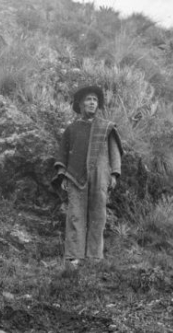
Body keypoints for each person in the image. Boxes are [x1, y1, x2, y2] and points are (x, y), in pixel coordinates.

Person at [52, 85, 124, 266]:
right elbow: (62, 153)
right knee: (75, 215)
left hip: (100, 176)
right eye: (88, 100)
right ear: (81, 104)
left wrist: (114, 174)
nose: (92, 103)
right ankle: (74, 256)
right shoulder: (72, 129)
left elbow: (114, 153)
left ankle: (94, 257)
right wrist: (62, 175)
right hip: (75, 176)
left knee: (98, 215)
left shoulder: (106, 128)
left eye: (95, 100)